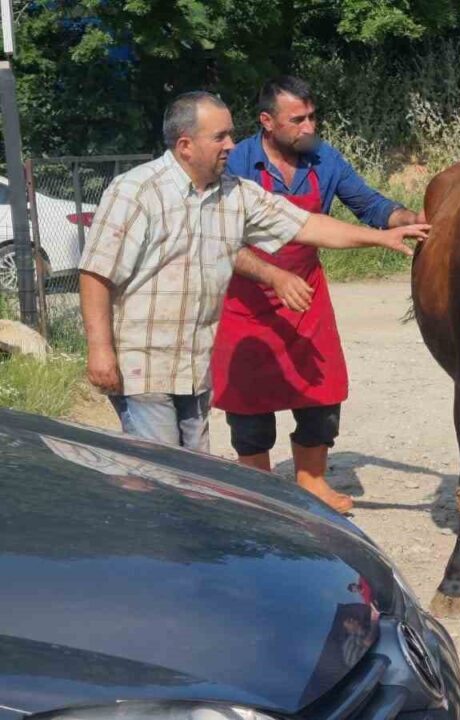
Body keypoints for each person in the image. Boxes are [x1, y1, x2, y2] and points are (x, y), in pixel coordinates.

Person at [79, 91, 428, 457]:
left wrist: (382, 236)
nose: (231, 144)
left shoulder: (235, 194)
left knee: (192, 472)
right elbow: (96, 273)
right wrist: (99, 349)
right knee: (161, 471)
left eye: (230, 134)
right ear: (185, 146)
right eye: (220, 137)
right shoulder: (136, 191)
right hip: (144, 365)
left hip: (194, 367)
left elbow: (308, 225)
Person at [211, 76, 424, 513]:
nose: (309, 127)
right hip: (244, 300)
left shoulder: (324, 158)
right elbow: (220, 240)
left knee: (322, 394)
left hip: (306, 295)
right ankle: (259, 487)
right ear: (267, 121)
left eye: (312, 117)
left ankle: (312, 482)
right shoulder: (236, 163)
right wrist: (273, 276)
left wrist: (411, 219)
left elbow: (371, 206)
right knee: (248, 405)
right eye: (297, 120)